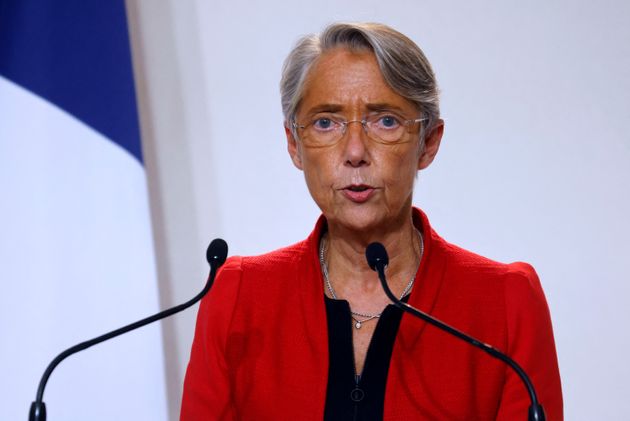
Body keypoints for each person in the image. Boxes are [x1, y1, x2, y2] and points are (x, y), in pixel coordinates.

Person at [180, 22, 563, 420]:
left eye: (385, 121)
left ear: (428, 142)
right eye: (326, 122)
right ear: (294, 144)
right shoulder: (238, 300)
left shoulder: (506, 303)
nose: (355, 152)